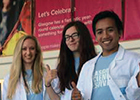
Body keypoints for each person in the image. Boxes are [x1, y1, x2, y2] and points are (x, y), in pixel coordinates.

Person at [71, 10, 140, 100]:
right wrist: (77, 97)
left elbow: (134, 96)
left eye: (110, 30)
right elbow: (82, 95)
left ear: (119, 32)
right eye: (100, 32)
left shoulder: (135, 60)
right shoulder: (87, 66)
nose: (105, 36)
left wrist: (137, 83)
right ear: (95, 37)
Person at [45, 21, 97, 100]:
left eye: (74, 35)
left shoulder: (95, 62)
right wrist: (47, 84)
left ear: (83, 36)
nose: (71, 40)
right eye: (67, 37)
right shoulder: (62, 66)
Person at [2, 35, 50, 100]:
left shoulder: (45, 74)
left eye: (32, 48)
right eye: (24, 49)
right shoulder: (9, 79)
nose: (28, 52)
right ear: (19, 52)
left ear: (36, 51)